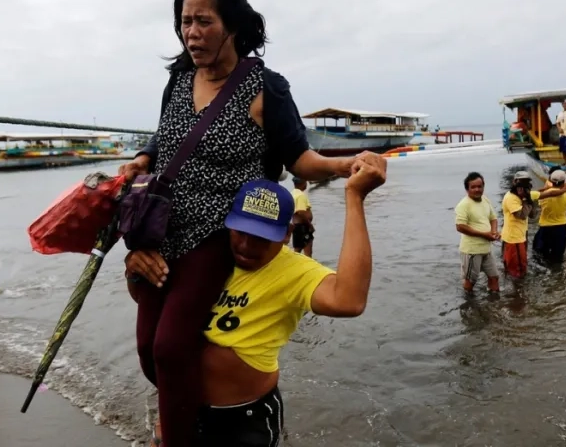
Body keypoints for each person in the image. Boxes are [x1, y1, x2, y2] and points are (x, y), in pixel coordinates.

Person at [116, 0, 360, 445]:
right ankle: (185, 415)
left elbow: (299, 157)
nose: (191, 33)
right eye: (184, 22)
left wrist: (346, 165)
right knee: (148, 349)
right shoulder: (178, 81)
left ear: (233, 24)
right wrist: (143, 156)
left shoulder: (266, 87)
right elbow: (167, 134)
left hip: (218, 231)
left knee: (170, 347)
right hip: (161, 228)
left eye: (203, 21)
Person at [126, 154, 387, 445]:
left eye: (262, 238)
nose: (247, 246)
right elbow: (146, 300)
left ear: (287, 234)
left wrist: (354, 197)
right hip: (181, 406)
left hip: (244, 422)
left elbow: (350, 301)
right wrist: (136, 271)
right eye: (241, 233)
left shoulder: (295, 272)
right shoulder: (205, 253)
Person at [500, 171, 566, 278]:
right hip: (513, 239)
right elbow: (521, 215)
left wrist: (565, 190)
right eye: (520, 182)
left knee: (518, 265)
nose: (522, 186)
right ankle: (518, 290)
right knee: (518, 271)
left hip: (520, 236)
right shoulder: (511, 198)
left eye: (525, 182)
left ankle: (516, 287)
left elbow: (548, 195)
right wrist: (527, 200)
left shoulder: (527, 194)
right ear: (514, 182)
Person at [454, 172, 500, 292]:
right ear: (467, 189)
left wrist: (494, 232)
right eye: (473, 187)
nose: (477, 189)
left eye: (479, 186)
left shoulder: (485, 199)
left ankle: (494, 303)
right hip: (472, 251)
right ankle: (468, 306)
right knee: (470, 282)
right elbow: (460, 226)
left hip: (486, 249)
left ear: (483, 187)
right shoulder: (463, 205)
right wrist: (484, 234)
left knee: (494, 277)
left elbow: (493, 218)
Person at [533, 170, 566, 261]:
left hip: (545, 227)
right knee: (558, 255)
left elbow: (540, 205)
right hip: (561, 227)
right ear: (564, 182)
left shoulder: (544, 195)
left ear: (551, 181)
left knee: (542, 254)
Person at [290, 177, 315, 257]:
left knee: (296, 253)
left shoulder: (292, 194)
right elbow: (300, 212)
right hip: (303, 227)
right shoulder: (300, 195)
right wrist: (310, 225)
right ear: (303, 182)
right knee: (308, 254)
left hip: (296, 228)